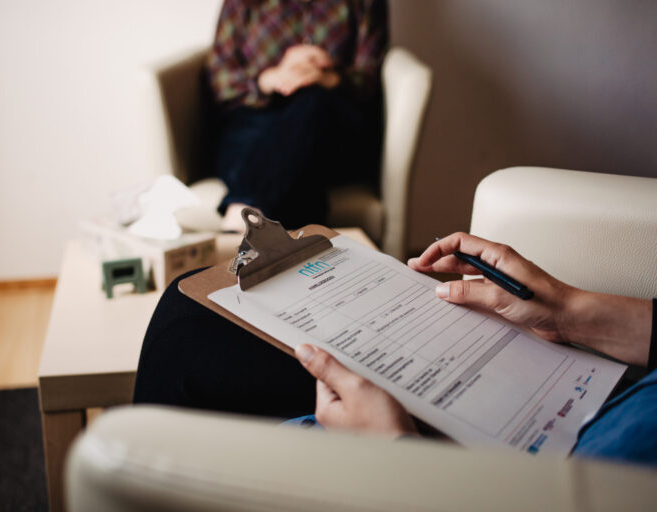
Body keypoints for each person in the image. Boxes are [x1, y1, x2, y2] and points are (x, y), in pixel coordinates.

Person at [133, 233, 657, 466]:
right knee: (191, 314)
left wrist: (404, 462)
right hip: (611, 392)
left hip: (478, 483)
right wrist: (572, 311)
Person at [205, 0, 388, 231]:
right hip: (257, 118)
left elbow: (368, 77)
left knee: (312, 105)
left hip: (325, 120)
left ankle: (244, 217)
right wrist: (271, 78)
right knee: (257, 135)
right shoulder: (240, 4)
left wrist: (325, 77)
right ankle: (298, 243)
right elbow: (221, 76)